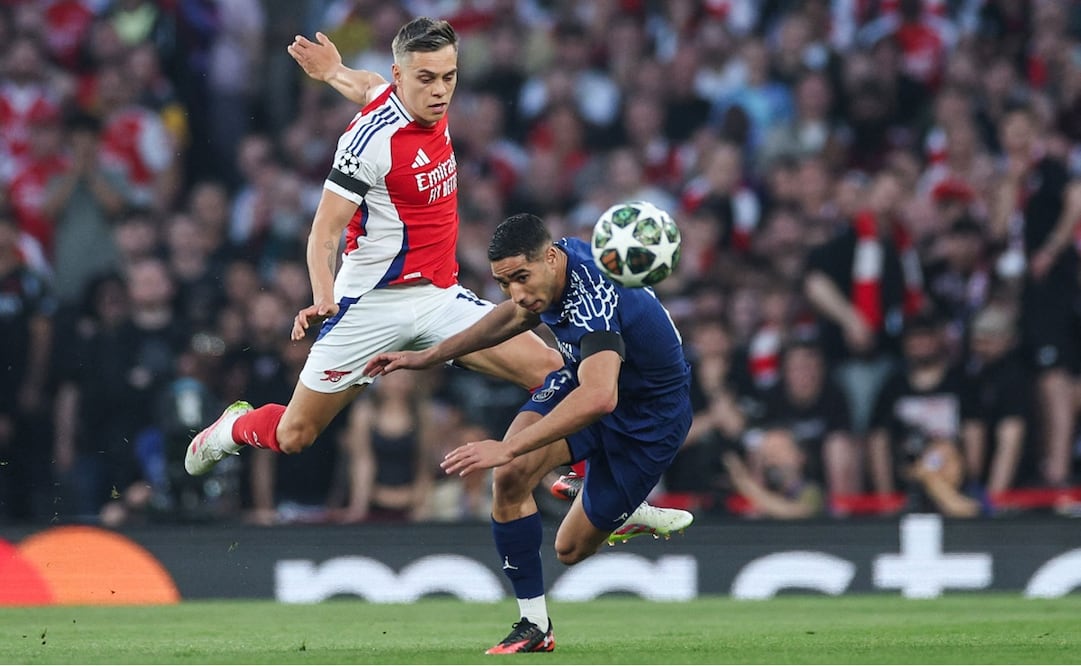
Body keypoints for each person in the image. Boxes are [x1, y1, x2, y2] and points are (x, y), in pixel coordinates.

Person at [183, 18, 563, 478]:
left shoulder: (407, 98)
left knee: (554, 371)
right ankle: (233, 426)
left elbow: (368, 85)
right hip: (370, 304)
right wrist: (323, 294)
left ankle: (591, 485)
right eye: (426, 79)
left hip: (439, 299)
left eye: (449, 76)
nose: (440, 91)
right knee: (294, 435)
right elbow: (324, 231)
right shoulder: (368, 141)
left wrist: (333, 72)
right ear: (402, 76)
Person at [364, 213, 695, 654]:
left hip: (648, 419)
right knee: (513, 474)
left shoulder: (593, 301)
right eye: (505, 283)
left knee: (570, 549)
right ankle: (534, 625)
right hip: (587, 381)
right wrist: (428, 356)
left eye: (522, 278)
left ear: (551, 259)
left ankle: (623, 509)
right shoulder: (555, 267)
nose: (517, 293)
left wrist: (505, 447)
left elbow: (601, 399)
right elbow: (510, 319)